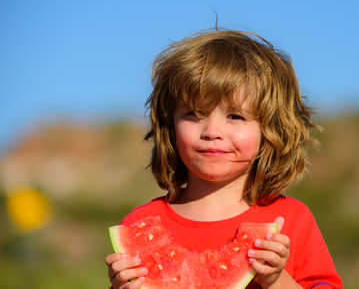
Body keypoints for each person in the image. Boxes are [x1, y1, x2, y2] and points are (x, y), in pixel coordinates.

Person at [105, 29, 342, 289]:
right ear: (170, 125)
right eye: (194, 113)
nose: (212, 132)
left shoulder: (291, 220)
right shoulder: (141, 223)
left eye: (235, 117)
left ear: (270, 130)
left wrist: (276, 279)